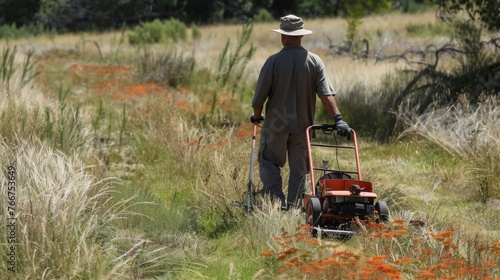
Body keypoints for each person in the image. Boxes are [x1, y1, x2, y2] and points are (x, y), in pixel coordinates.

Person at [250, 14, 350, 210]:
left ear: (283, 37)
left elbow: (258, 99)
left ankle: (275, 204)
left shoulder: (273, 61)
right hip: (303, 126)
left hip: (276, 125)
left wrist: (256, 115)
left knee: (269, 162)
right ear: (301, 36)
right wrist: (338, 119)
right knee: (299, 170)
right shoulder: (315, 61)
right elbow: (326, 94)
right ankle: (295, 208)